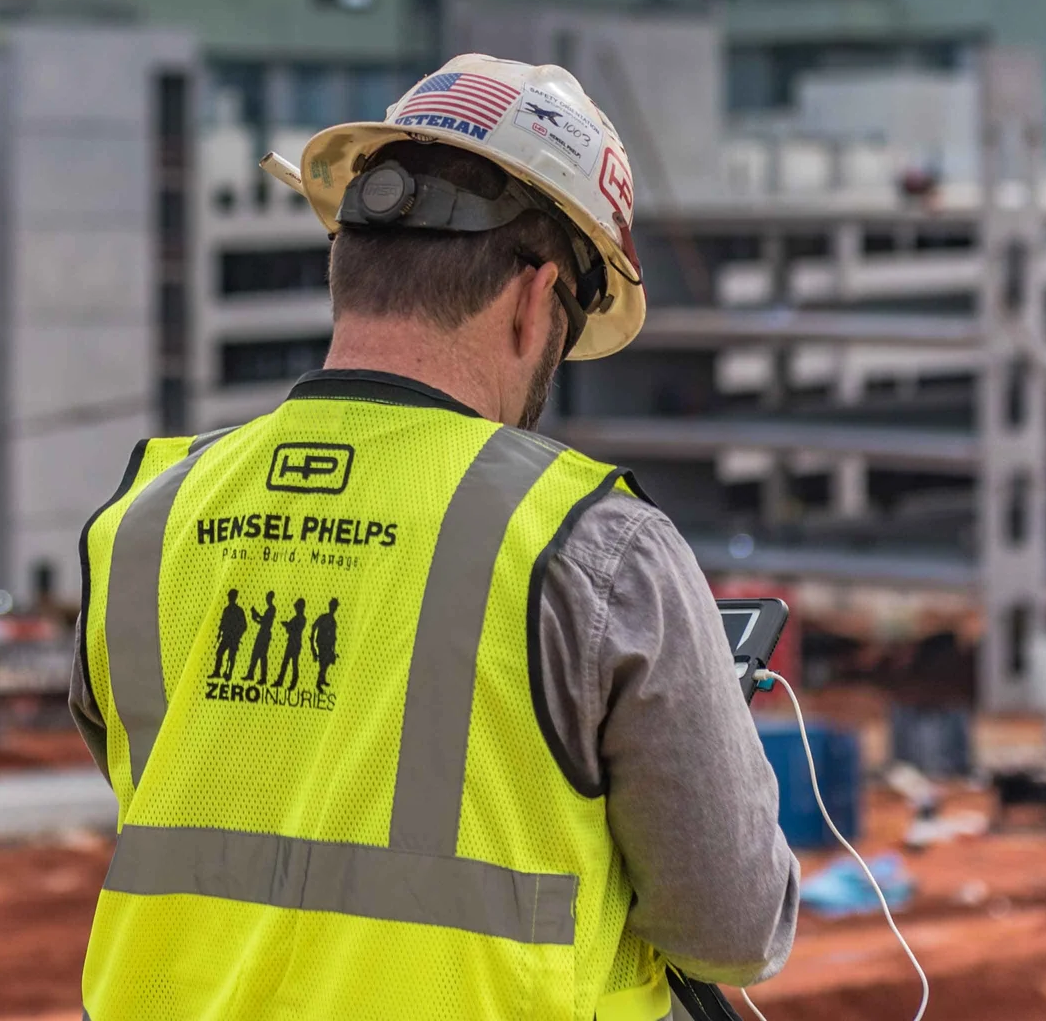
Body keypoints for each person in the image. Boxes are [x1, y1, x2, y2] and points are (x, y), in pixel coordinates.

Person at [71, 54, 800, 1020]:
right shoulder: (591, 547)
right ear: (536, 299)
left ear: (351, 263)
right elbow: (731, 928)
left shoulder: (145, 520)